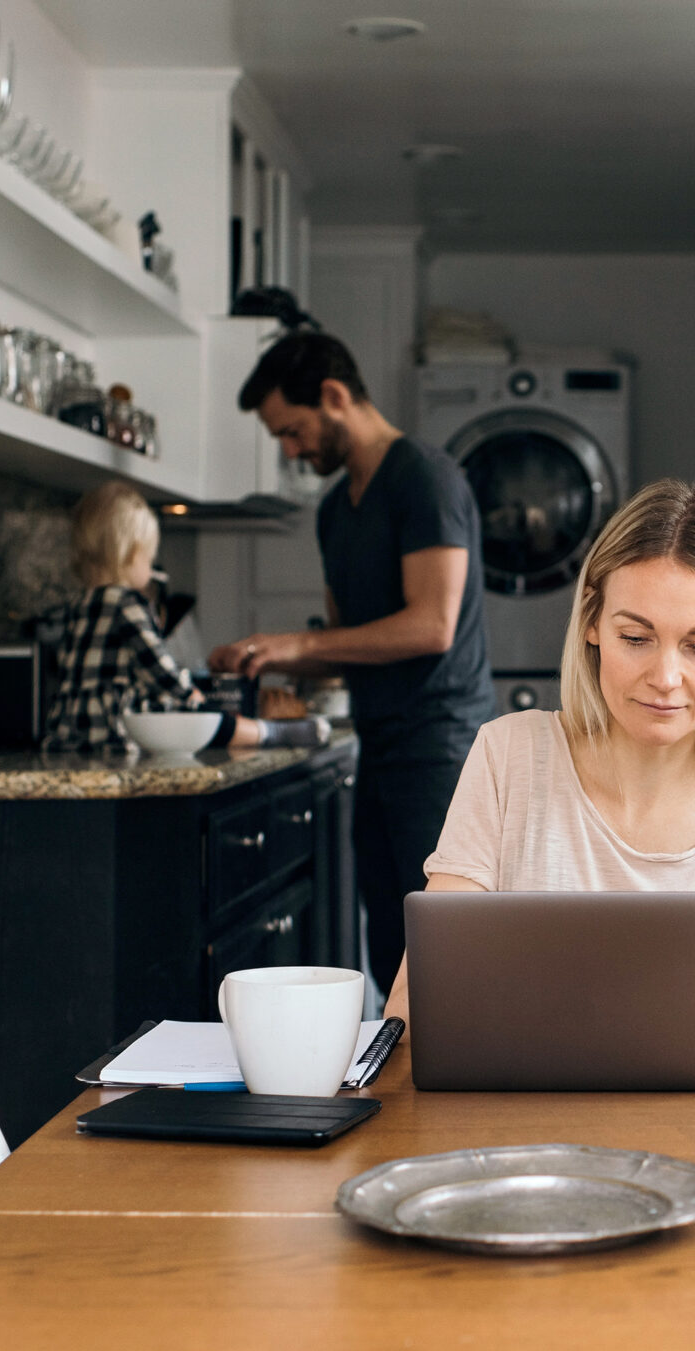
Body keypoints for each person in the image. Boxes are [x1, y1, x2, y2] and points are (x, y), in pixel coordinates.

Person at [384, 480, 695, 1044]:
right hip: (535, 1129)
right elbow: (415, 1013)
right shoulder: (508, 757)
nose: (664, 679)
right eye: (636, 637)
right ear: (592, 621)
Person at [209, 332, 493, 994]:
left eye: (293, 429)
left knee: (444, 950)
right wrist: (264, 655)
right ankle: (403, 1092)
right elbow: (349, 642)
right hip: (380, 745)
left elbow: (431, 625)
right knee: (391, 942)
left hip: (441, 750)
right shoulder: (336, 509)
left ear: (334, 397)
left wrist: (296, 644)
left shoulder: (424, 477)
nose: (289, 449)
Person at [43, 481, 325, 753]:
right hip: (119, 728)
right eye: (149, 560)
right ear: (130, 556)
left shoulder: (77, 603)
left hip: (71, 730)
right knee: (205, 718)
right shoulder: (127, 603)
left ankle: (267, 731)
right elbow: (157, 666)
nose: (151, 569)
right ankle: (270, 733)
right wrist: (189, 693)